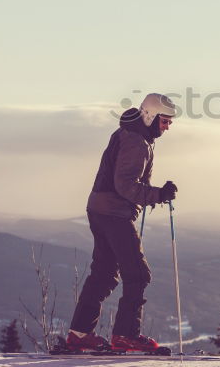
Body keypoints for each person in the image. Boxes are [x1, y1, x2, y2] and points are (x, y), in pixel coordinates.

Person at [65, 92, 179, 352]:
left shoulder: (130, 135)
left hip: (100, 208)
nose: (168, 126)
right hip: (113, 212)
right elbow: (125, 185)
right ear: (150, 116)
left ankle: (80, 334)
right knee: (138, 274)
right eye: (165, 120)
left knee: (104, 273)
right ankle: (126, 336)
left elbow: (124, 182)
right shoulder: (136, 141)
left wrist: (152, 194)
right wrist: (157, 194)